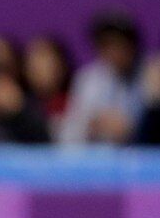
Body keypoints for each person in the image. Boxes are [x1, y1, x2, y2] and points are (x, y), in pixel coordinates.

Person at [60, 11, 146, 145]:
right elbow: (69, 133)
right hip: (98, 160)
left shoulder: (150, 76)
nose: (113, 51)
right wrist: (91, 124)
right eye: (106, 44)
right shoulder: (87, 79)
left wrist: (133, 127)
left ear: (132, 44)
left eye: (119, 43)